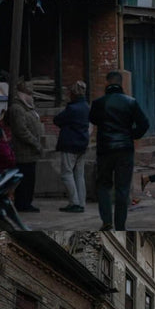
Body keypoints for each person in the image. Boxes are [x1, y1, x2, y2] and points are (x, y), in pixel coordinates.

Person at [89, 71, 150, 230]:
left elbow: (93, 119)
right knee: (122, 188)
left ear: (107, 83)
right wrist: (131, 135)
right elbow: (144, 124)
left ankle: (107, 221)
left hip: (105, 149)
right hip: (125, 150)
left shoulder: (98, 103)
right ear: (121, 83)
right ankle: (120, 225)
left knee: (103, 185)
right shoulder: (131, 102)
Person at [54, 80, 90, 213]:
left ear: (74, 93)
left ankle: (74, 202)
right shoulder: (86, 106)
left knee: (67, 173)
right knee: (79, 175)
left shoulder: (72, 108)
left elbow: (57, 120)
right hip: (82, 144)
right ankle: (81, 202)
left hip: (70, 144)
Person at [8, 79, 44, 212]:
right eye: (29, 94)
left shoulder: (27, 108)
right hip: (23, 152)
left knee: (30, 180)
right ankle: (23, 203)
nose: (31, 97)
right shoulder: (17, 108)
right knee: (25, 181)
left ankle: (27, 202)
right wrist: (35, 143)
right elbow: (21, 130)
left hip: (30, 153)